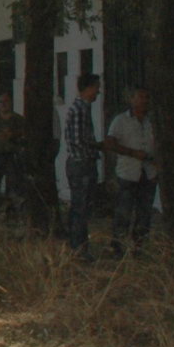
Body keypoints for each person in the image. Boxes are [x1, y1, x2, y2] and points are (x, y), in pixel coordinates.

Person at [103, 85, 158, 256]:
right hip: (127, 172)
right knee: (123, 212)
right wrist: (132, 153)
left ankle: (138, 248)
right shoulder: (121, 120)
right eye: (140, 97)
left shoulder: (152, 121)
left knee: (144, 214)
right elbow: (110, 143)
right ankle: (117, 247)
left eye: (146, 97)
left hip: (148, 173)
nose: (144, 101)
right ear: (132, 100)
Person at [63, 74, 102, 258]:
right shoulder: (79, 109)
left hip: (82, 163)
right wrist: (98, 146)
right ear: (87, 88)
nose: (98, 92)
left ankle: (78, 246)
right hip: (81, 164)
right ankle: (78, 249)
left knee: (81, 207)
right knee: (80, 207)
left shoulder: (82, 108)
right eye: (96, 88)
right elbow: (79, 140)